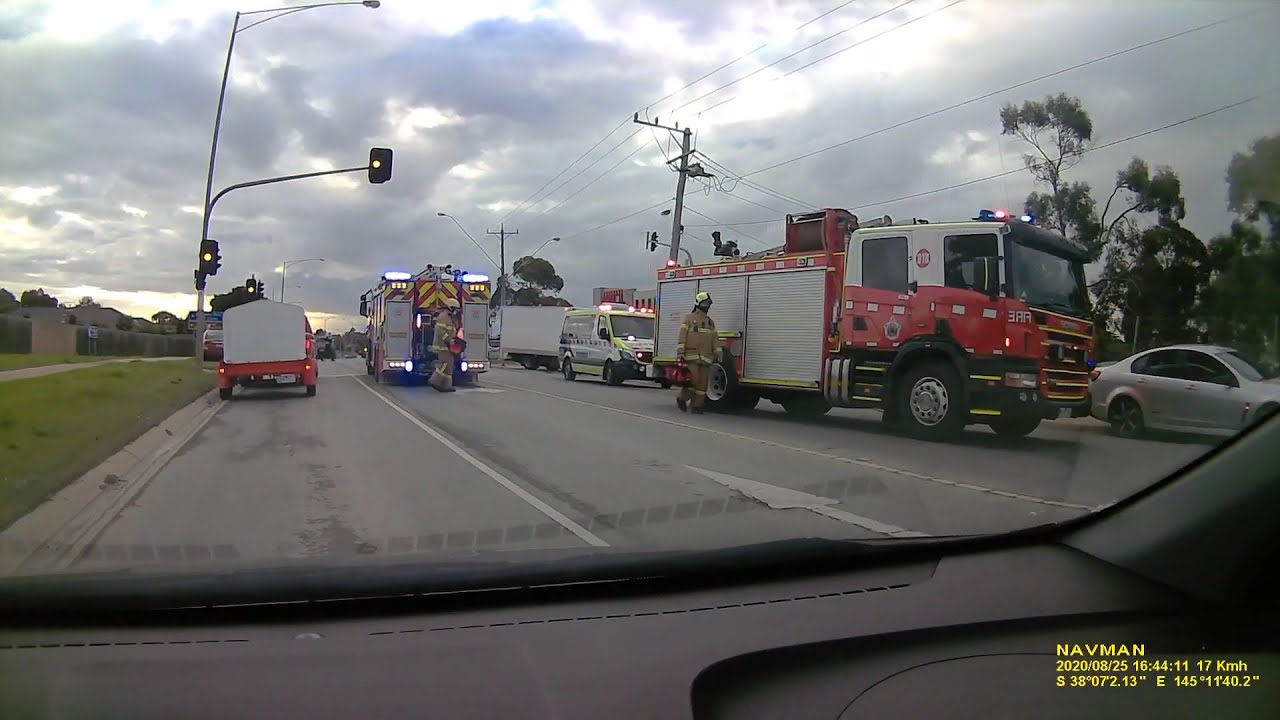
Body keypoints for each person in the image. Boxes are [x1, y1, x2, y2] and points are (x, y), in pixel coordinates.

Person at [675, 290, 722, 414]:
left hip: (706, 358)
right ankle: (682, 398)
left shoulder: (710, 322)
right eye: (705, 304)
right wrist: (680, 353)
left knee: (703, 384)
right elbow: (682, 337)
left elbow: (715, 339)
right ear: (698, 304)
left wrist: (718, 352)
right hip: (692, 356)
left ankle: (697, 406)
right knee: (693, 381)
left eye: (708, 304)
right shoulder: (689, 319)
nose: (706, 307)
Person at [429, 298, 461, 393]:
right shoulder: (443, 317)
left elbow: (453, 331)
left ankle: (446, 386)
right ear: (450, 307)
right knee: (444, 365)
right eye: (454, 308)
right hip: (442, 347)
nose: (456, 310)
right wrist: (449, 340)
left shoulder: (450, 318)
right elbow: (440, 332)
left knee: (449, 366)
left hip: (448, 347)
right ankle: (434, 381)